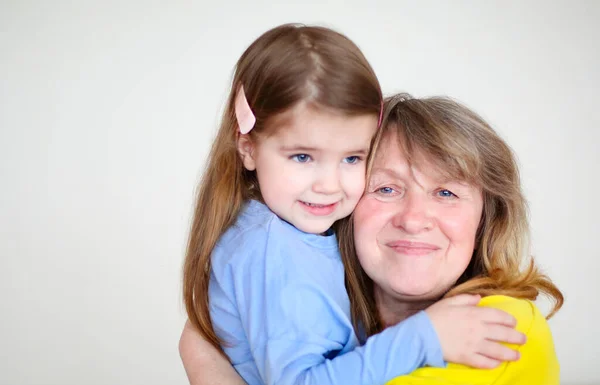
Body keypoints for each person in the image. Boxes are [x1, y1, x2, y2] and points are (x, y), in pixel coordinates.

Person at [180, 92, 563, 385]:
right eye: (386, 189)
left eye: (446, 193)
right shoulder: (324, 324)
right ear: (342, 206)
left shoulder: (501, 325)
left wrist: (208, 366)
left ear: (485, 220)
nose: (414, 220)